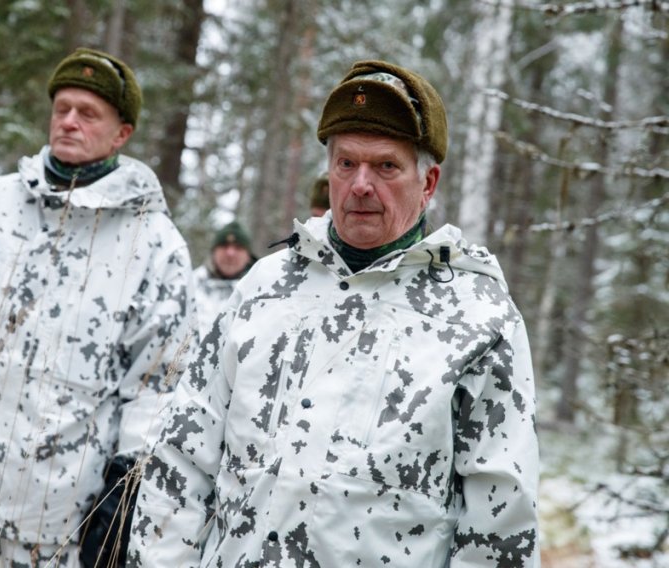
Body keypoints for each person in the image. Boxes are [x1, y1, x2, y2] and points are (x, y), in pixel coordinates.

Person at [129, 60, 540, 567]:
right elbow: (182, 456)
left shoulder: (479, 317)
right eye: (346, 164)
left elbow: (501, 520)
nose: (361, 184)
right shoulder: (265, 287)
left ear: (428, 182)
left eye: (385, 166)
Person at [0, 47, 196, 568]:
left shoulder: (153, 244)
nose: (69, 121)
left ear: (122, 133)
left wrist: (127, 486)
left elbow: (158, 383)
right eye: (61, 107)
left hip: (50, 528)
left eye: (88, 113)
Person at [191, 221, 256, 333]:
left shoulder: (261, 290)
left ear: (248, 255)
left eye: (238, 247)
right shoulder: (190, 285)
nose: (230, 253)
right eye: (224, 246)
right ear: (213, 251)